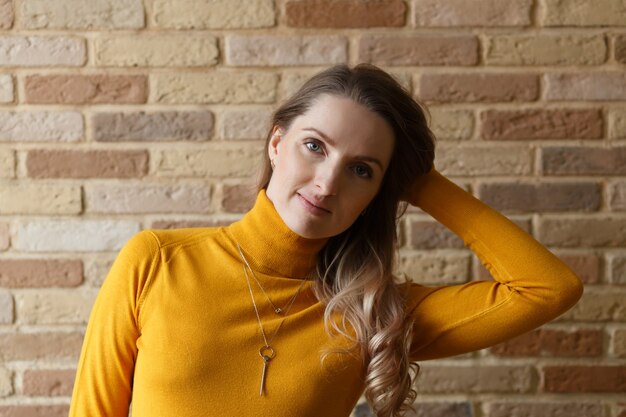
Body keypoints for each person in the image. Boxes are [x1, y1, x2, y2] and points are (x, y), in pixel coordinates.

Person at [68, 64, 583, 417]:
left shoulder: (374, 310)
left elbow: (547, 288)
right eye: (314, 146)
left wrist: (420, 179)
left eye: (360, 169)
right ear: (276, 143)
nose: (328, 183)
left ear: (381, 190)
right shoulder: (157, 261)